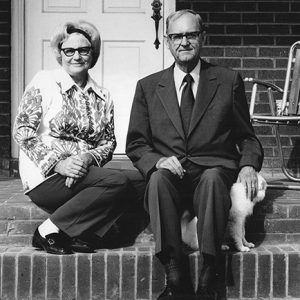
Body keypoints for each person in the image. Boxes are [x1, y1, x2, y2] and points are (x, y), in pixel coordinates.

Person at [126, 9, 264, 299]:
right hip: (171, 175)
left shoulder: (226, 81)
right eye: (177, 36)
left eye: (190, 35)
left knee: (214, 179)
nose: (184, 42)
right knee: (157, 179)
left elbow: (246, 137)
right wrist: (158, 161)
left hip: (213, 170)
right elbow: (137, 144)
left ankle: (210, 274)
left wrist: (249, 165)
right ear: (167, 41)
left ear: (203, 37)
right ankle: (175, 275)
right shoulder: (148, 87)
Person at [13, 20, 131, 255]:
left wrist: (85, 159)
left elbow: (109, 143)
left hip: (83, 175)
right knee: (117, 182)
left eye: (83, 50)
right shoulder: (45, 81)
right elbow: (23, 131)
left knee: (142, 182)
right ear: (61, 53)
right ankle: (48, 231)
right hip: (45, 177)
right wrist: (60, 164)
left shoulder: (103, 95)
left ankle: (77, 233)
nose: (76, 56)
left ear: (92, 53)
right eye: (69, 50)